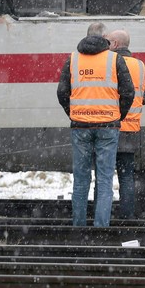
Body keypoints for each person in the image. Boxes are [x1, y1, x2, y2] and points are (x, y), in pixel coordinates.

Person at [56, 23, 133, 227]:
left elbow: (62, 93)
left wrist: (74, 113)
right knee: (105, 180)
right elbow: (128, 93)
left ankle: (79, 227)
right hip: (108, 126)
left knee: (81, 180)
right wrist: (117, 116)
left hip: (80, 126)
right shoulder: (115, 59)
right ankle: (101, 229)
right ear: (105, 38)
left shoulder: (72, 59)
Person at [105, 29, 145, 219]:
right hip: (131, 130)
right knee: (126, 177)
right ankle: (127, 218)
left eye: (107, 41)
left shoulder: (108, 64)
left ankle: (103, 218)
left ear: (115, 44)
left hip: (109, 128)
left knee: (104, 176)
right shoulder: (140, 66)